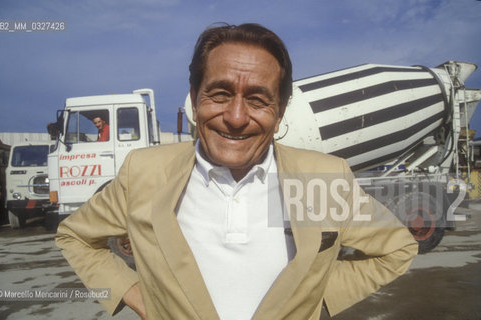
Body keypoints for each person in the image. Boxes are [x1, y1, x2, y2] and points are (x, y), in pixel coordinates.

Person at [55, 23, 418, 320]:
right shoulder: (147, 173)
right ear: (195, 98)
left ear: (280, 111)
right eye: (220, 94)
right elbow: (76, 237)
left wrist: (317, 300)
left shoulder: (317, 180)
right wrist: (135, 294)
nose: (237, 117)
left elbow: (396, 249)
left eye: (258, 99)